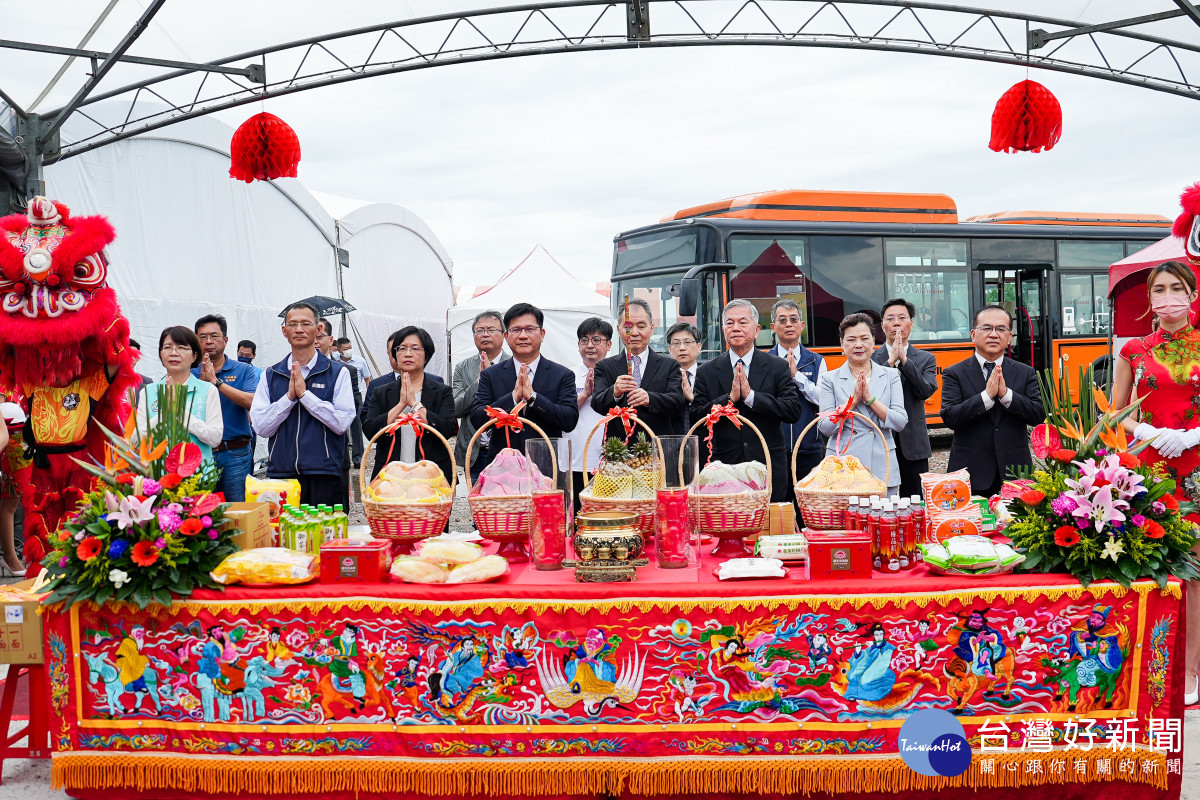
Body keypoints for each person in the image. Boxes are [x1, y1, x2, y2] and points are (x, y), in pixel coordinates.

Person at [1111, 261, 1200, 705]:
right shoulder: (1134, 350)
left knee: (1198, 572)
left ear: (1192, 294)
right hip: (1153, 469)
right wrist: (1147, 433)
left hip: (1198, 463)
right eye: (1159, 289)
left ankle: (1192, 670)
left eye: (1176, 288)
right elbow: (1113, 414)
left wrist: (1191, 434)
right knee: (1158, 568)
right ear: (1149, 301)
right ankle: (1155, 662)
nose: (1168, 296)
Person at [690, 299, 803, 502]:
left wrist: (752, 397)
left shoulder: (777, 366)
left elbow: (792, 410)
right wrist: (728, 399)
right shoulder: (706, 371)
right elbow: (695, 417)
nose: (736, 328)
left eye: (743, 322)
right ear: (723, 329)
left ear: (757, 329)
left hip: (767, 465)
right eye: (730, 323)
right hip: (724, 469)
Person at [250, 302, 356, 507]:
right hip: (282, 473)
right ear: (284, 331)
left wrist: (305, 396)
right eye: (293, 324)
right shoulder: (271, 375)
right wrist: (289, 398)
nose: (298, 329)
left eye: (305, 324)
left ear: (318, 330)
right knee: (284, 536)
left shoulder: (337, 373)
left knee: (325, 536)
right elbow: (261, 427)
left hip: (323, 472)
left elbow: (342, 422)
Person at [940, 305, 1045, 497]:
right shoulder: (954, 373)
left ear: (1009, 336)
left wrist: (1006, 395)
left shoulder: (1025, 372)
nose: (994, 334)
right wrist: (986, 397)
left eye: (1001, 329)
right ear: (973, 334)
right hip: (970, 472)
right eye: (987, 328)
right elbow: (950, 417)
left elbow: (1038, 414)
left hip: (1015, 474)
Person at [470, 303, 579, 461]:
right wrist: (513, 398)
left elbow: (569, 420)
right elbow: (478, 419)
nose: (522, 336)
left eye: (529, 329)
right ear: (506, 336)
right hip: (502, 467)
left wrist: (533, 398)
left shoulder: (562, 375)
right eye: (516, 330)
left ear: (542, 334)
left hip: (546, 466)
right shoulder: (490, 374)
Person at [818, 313, 907, 496]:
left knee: (883, 520)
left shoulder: (890, 375)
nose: (858, 345)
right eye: (851, 339)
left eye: (864, 338)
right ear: (842, 344)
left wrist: (870, 400)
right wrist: (852, 401)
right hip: (843, 470)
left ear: (873, 342)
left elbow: (900, 422)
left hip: (882, 464)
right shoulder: (829, 379)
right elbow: (825, 427)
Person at [362, 326, 457, 486]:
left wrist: (415, 404)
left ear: (426, 355)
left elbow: (447, 429)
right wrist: (400, 405)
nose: (407, 354)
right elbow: (370, 431)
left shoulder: (441, 391)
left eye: (415, 348)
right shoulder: (381, 391)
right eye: (402, 349)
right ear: (395, 355)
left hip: (432, 474)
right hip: (389, 475)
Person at [871, 299, 938, 497]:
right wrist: (891, 361)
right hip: (880, 438)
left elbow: (925, 391)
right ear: (882, 325)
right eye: (890, 319)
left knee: (914, 498)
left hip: (913, 441)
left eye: (902, 318)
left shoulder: (926, 358)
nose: (897, 323)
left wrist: (906, 361)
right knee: (879, 498)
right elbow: (872, 392)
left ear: (911, 323)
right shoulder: (872, 358)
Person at [591, 298, 684, 438]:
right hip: (619, 449)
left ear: (651, 329)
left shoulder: (669, 365)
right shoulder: (605, 366)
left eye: (641, 326)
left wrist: (650, 399)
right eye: (628, 327)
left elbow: (677, 402)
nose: (634, 333)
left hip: (657, 447)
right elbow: (597, 403)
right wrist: (615, 393)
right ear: (618, 329)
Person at [192, 314, 259, 502]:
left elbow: (251, 401)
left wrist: (216, 382)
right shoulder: (189, 371)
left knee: (237, 511)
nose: (208, 341)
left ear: (226, 340)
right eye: (203, 337)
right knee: (204, 514)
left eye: (214, 336)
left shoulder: (243, 369)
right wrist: (203, 384)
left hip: (235, 453)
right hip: (200, 453)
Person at [767, 299, 827, 492]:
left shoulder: (817, 361)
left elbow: (823, 399)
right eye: (782, 320)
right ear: (773, 327)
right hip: (775, 449)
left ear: (802, 326)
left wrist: (797, 376)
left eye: (793, 320)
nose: (788, 324)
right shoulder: (765, 361)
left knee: (808, 508)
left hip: (810, 447)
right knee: (779, 509)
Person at [137, 326, 224, 459]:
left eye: (182, 348)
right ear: (161, 354)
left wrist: (180, 413)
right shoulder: (148, 392)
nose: (174, 353)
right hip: (157, 475)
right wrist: (164, 415)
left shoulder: (207, 390)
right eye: (167, 347)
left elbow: (215, 438)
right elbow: (135, 440)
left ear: (194, 356)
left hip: (197, 475)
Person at [452, 311, 509, 483]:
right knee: (477, 505)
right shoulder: (463, 367)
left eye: (491, 329)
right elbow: (456, 408)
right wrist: (480, 381)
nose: (485, 334)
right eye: (479, 330)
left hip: (506, 449)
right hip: (475, 450)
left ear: (504, 335)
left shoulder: (513, 364)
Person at [564, 317, 612, 509]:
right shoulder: (567, 375)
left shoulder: (618, 374)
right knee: (576, 518)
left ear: (608, 345)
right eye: (585, 340)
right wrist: (585, 395)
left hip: (611, 464)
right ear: (578, 345)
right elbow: (561, 415)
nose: (590, 345)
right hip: (575, 463)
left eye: (596, 340)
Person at [318, 318, 364, 468]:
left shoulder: (345, 371)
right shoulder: (293, 371)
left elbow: (352, 406)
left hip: (336, 445)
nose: (315, 341)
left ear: (330, 340)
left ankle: (358, 459)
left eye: (319, 336)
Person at [666, 322, 701, 433]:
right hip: (671, 440)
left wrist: (693, 400)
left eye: (687, 342)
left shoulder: (709, 374)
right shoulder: (662, 375)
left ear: (699, 347)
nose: (682, 348)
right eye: (676, 344)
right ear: (670, 349)